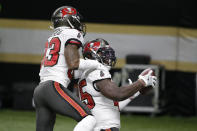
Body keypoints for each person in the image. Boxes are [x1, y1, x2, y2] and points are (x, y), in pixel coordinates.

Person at [33, 6, 107, 131]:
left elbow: (68, 69)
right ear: (69, 20)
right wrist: (97, 64)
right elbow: (73, 63)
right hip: (53, 87)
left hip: (40, 90)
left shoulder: (52, 37)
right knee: (88, 119)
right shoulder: (72, 33)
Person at [74, 38, 157, 131]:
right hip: (103, 128)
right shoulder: (97, 71)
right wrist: (141, 82)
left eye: (108, 52)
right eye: (102, 52)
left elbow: (111, 105)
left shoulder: (87, 74)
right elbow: (118, 95)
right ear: (90, 55)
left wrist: (135, 91)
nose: (108, 55)